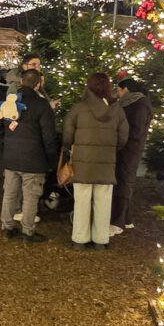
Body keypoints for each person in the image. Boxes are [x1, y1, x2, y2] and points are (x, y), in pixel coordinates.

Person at [63, 73, 128, 250]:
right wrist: (111, 148)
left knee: (82, 200)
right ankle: (100, 240)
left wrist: (70, 146)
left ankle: (79, 239)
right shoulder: (117, 110)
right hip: (106, 163)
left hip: (82, 162)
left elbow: (67, 134)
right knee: (103, 201)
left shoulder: (78, 108)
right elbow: (123, 137)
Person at [0, 69, 58, 243]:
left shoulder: (10, 102)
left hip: (11, 156)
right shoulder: (42, 105)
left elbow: (1, 128)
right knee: (30, 196)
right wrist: (52, 159)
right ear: (38, 84)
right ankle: (28, 231)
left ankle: (7, 226)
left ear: (21, 81)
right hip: (34, 158)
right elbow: (49, 136)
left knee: (9, 194)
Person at [110, 77, 154, 235]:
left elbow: (136, 131)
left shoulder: (138, 105)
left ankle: (118, 222)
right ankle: (125, 219)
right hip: (126, 148)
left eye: (119, 90)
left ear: (125, 89)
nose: (117, 94)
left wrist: (121, 138)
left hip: (130, 149)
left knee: (124, 182)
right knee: (122, 181)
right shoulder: (132, 103)